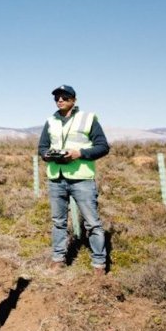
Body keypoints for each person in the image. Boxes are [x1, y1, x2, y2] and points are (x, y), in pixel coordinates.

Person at [37, 85, 110, 276]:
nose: (60, 100)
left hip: (81, 179)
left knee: (92, 222)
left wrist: (79, 153)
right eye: (57, 97)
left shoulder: (88, 118)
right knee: (58, 222)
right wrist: (48, 155)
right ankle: (58, 259)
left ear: (74, 100)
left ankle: (99, 264)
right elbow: (42, 147)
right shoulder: (50, 121)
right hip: (56, 178)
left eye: (65, 97)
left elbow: (103, 147)